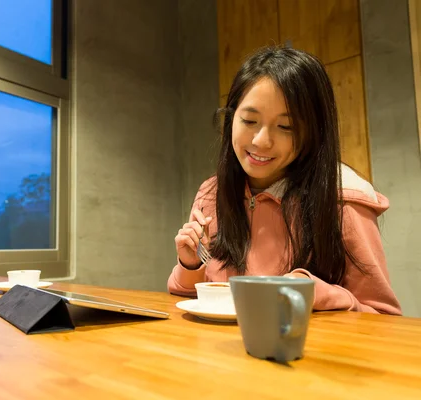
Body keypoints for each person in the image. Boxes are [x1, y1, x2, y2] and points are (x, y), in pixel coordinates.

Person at [168, 46, 401, 315]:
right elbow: (188, 301)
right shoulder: (212, 193)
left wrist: (314, 291)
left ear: (313, 133)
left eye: (285, 127)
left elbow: (384, 318)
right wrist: (189, 265)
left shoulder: (342, 198)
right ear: (232, 118)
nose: (261, 141)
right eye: (249, 120)